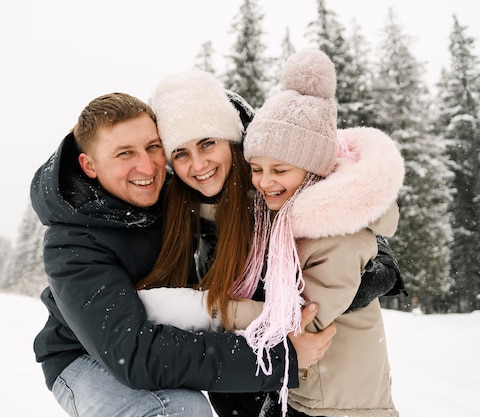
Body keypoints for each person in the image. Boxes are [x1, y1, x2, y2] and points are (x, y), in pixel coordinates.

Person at [30, 91, 336, 417]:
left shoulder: (179, 192)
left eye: (152, 147)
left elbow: (291, 177)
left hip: (171, 335)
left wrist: (365, 255)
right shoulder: (73, 243)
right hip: (86, 356)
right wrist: (276, 358)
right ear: (88, 165)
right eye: (124, 154)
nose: (146, 166)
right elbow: (134, 355)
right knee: (179, 410)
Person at [137, 70, 404, 417]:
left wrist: (375, 270)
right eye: (182, 153)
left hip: (320, 387)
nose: (198, 164)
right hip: (249, 381)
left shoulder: (276, 190)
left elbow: (348, 226)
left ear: (234, 142)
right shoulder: (177, 207)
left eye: (207, 143)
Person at [235, 48, 403, 416]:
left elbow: (303, 319)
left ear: (312, 171)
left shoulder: (335, 235)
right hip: (318, 391)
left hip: (342, 402)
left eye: (279, 169)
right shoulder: (292, 222)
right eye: (256, 168)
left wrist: (219, 311)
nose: (264, 182)